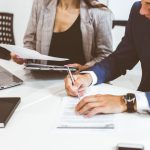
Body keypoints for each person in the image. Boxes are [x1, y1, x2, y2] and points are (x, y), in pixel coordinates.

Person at [65, 0, 150, 117]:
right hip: (140, 113)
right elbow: (120, 59)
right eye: (143, 2)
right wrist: (88, 77)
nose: (142, 11)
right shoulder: (138, 10)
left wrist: (127, 101)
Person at [11, 0, 112, 71]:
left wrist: (85, 67)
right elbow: (30, 42)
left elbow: (105, 55)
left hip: (78, 84)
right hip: (41, 82)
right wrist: (24, 56)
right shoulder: (40, 4)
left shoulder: (100, 12)